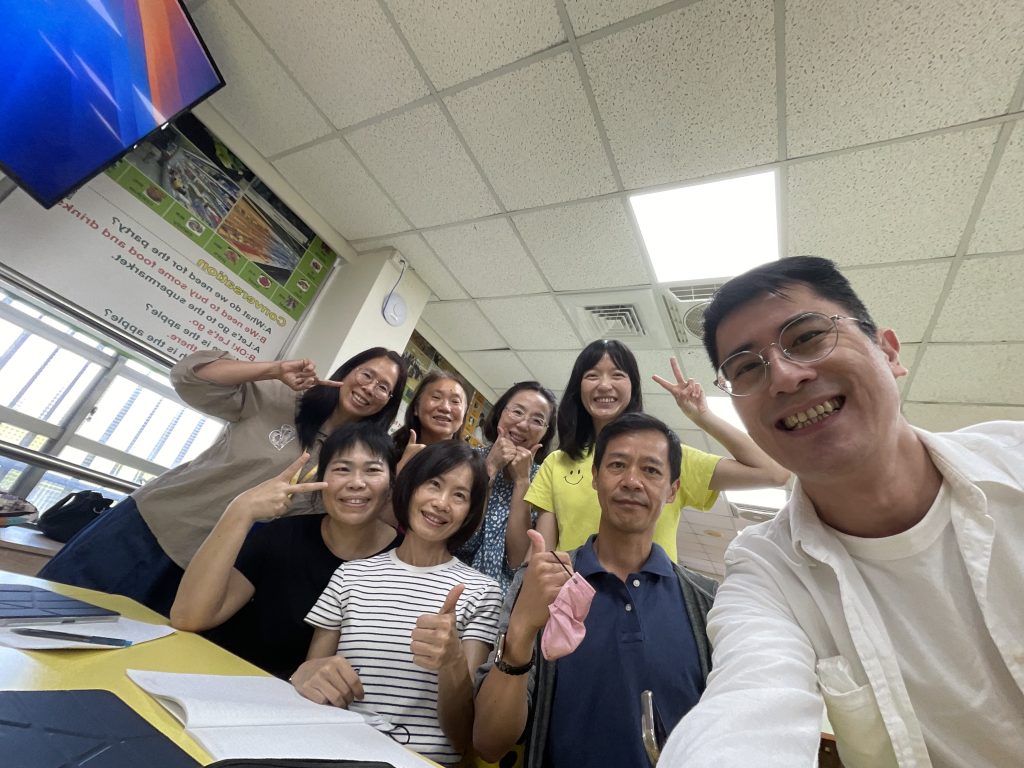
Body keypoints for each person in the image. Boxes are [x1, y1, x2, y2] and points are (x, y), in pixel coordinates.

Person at [662, 256, 1024, 767]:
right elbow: (747, 704)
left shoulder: (1016, 461)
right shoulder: (765, 571)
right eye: (747, 368)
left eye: (808, 336)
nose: (784, 377)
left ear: (888, 351)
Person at [39, 347, 407, 615]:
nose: (370, 388)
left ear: (388, 403)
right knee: (38, 618)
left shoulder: (353, 459)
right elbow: (190, 377)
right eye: (367, 374)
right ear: (347, 372)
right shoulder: (285, 398)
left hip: (205, 573)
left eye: (384, 387)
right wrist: (273, 370)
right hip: (147, 528)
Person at [473, 412, 719, 768]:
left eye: (651, 470)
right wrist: (522, 629)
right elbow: (489, 742)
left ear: (672, 490)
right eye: (617, 465)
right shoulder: (542, 583)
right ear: (595, 478)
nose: (632, 481)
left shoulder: (708, 603)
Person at [293, 441, 504, 767]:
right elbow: (311, 682)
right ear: (410, 487)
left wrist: (452, 661)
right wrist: (307, 675)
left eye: (459, 496)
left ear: (469, 513)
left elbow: (462, 737)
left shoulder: (482, 592)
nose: (441, 503)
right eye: (433, 484)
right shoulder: (351, 574)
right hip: (334, 752)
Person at [169, 422, 401, 679]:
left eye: (372, 470)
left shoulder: (405, 561)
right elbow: (189, 617)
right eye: (342, 469)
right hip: (229, 676)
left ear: (392, 485)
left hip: (313, 701)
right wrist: (241, 509)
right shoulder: (283, 535)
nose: (356, 483)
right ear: (321, 479)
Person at [526, 339, 789, 559]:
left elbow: (775, 473)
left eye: (617, 375)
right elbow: (541, 553)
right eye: (592, 375)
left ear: (633, 387)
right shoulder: (557, 462)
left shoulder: (666, 457)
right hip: (572, 600)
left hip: (650, 599)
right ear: (579, 388)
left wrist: (702, 416)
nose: (604, 385)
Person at [456, 381, 557, 594]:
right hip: (449, 580)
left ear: (545, 433)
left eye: (537, 420)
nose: (523, 424)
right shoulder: (466, 460)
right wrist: (490, 469)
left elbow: (517, 562)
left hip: (501, 599)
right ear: (501, 412)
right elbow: (460, 541)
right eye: (517, 412)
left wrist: (522, 482)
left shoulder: (546, 479)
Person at [392, 370, 469, 469]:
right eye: (436, 397)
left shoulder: (466, 468)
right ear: (416, 407)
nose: (445, 408)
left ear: (463, 416)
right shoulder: (387, 449)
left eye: (455, 401)